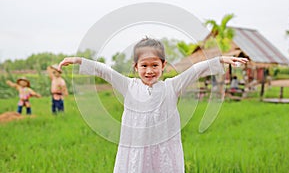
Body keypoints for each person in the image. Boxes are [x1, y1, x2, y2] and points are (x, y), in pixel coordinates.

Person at [58, 37, 248, 173]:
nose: (149, 71)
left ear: (163, 65)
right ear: (136, 66)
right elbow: (104, 71)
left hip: (164, 151)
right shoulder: (128, 86)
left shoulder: (172, 87)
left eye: (154, 65)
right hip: (136, 150)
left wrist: (221, 60)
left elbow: (196, 70)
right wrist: (78, 61)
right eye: (144, 66)